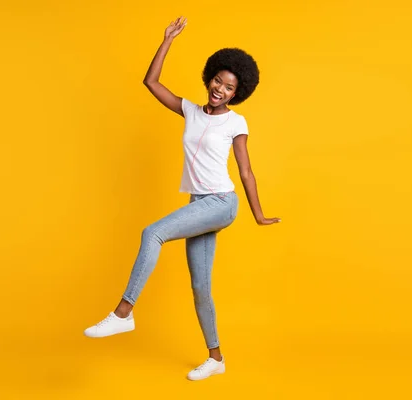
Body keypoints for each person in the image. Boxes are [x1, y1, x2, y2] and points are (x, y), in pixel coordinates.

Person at [84, 16, 280, 381]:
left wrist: (258, 214)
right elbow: (151, 82)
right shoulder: (190, 110)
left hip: (221, 202)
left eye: (229, 87)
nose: (220, 89)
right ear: (209, 79)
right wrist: (167, 40)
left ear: (238, 93)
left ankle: (123, 313)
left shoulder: (236, 122)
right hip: (198, 204)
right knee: (200, 288)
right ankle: (216, 358)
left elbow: (246, 172)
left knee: (152, 233)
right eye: (217, 81)